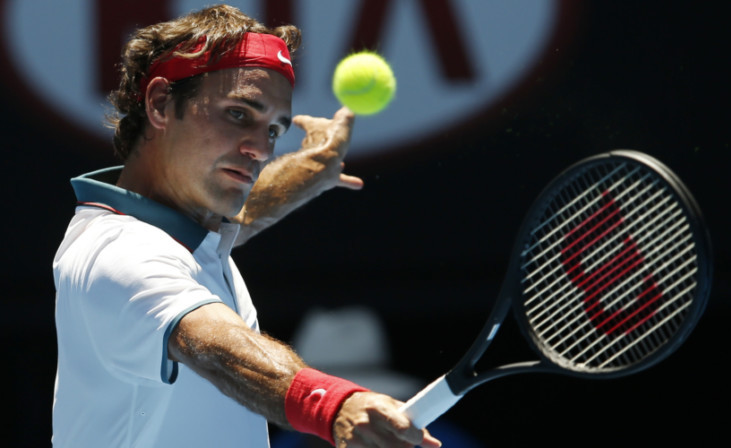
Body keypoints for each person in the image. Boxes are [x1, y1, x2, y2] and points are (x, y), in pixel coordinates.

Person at [52, 5, 441, 448]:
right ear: (160, 104)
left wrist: (309, 169)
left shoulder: (180, 233)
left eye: (274, 129)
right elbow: (217, 347)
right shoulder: (121, 252)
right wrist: (333, 405)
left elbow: (240, 217)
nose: (260, 148)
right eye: (238, 113)